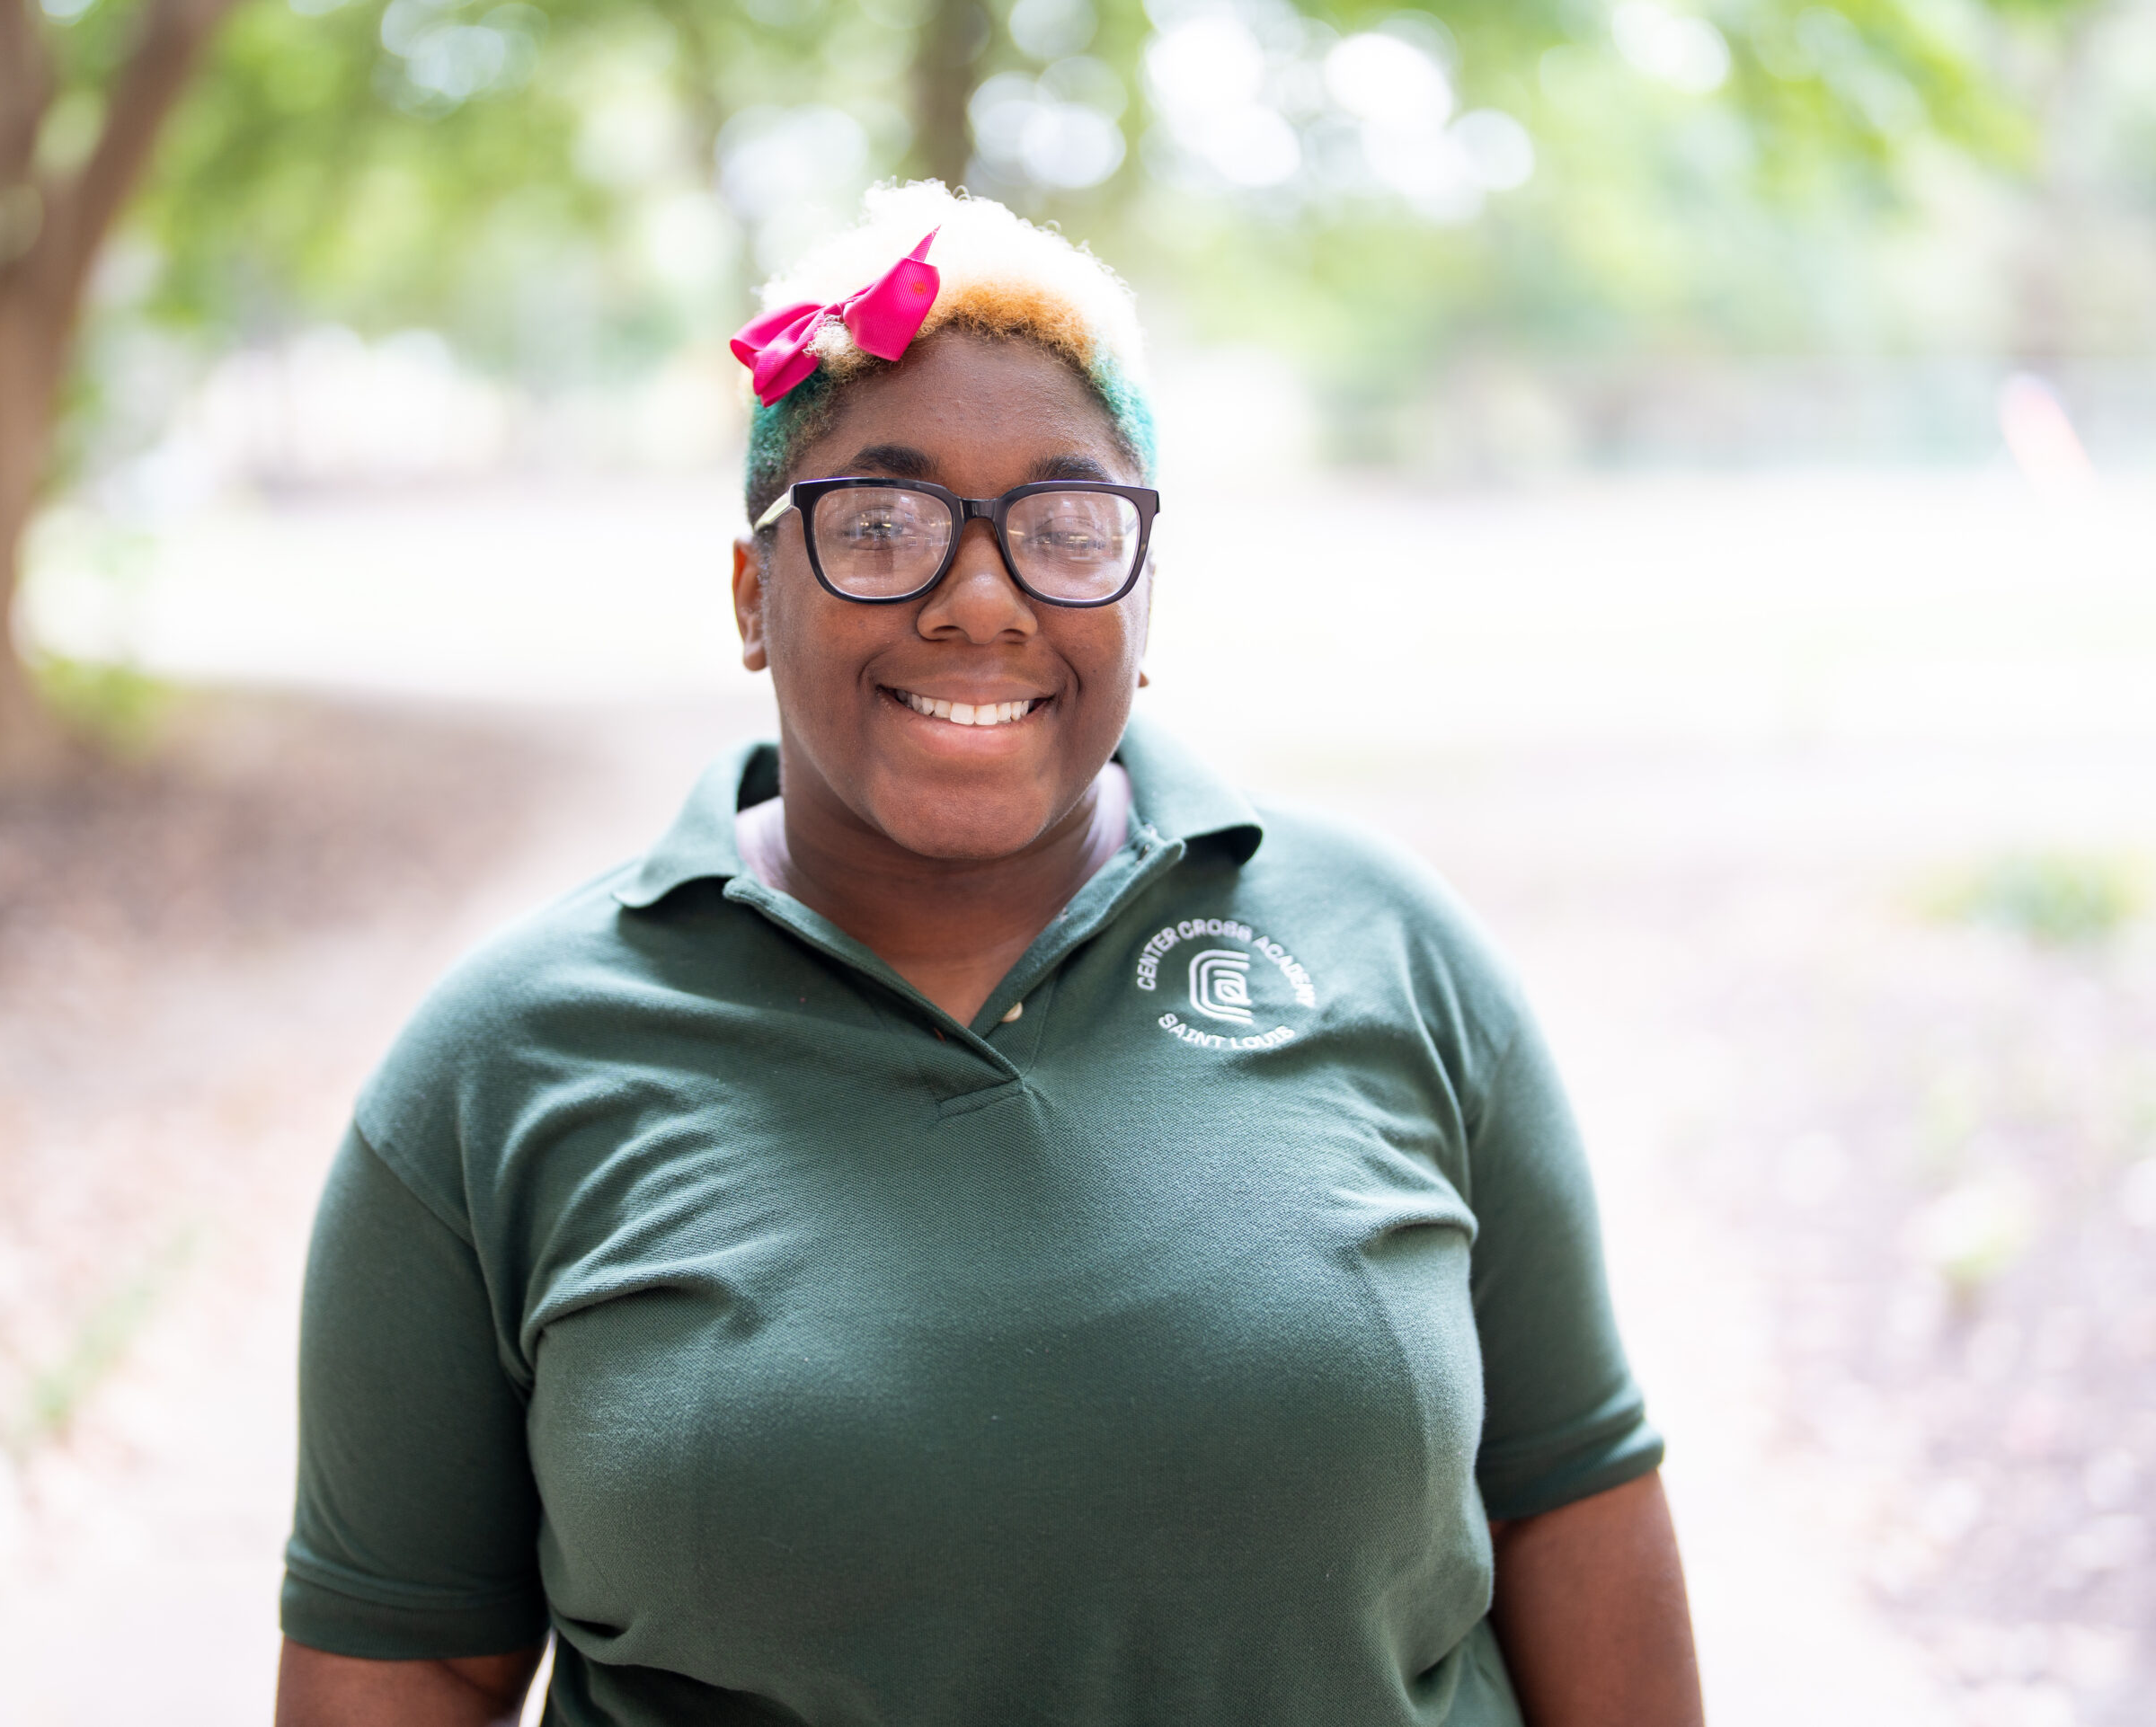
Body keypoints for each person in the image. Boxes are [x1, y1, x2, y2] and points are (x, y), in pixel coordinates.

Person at [272, 183, 1702, 1727]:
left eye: (1066, 527)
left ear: (1145, 598)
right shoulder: (501, 1069)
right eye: (878, 524)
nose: (979, 600)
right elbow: (406, 1653)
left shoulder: (1391, 953)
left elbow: (1570, 1502)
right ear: (755, 594)